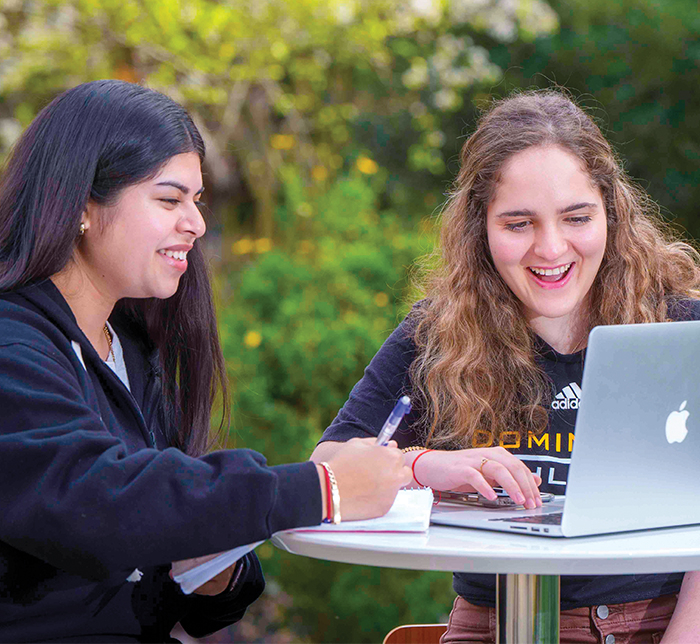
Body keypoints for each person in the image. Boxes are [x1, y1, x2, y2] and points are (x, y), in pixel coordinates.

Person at [0, 79, 412, 643]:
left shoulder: (130, 348)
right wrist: (322, 488)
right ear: (81, 207)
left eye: (196, 202)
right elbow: (100, 503)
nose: (194, 223)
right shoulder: (12, 347)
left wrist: (211, 563)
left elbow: (169, 586)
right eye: (169, 200)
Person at [311, 90, 700, 643]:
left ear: (611, 212)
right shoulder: (437, 333)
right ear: (481, 227)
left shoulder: (681, 329)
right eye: (519, 224)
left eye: (576, 217)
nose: (551, 247)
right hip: (491, 623)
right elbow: (326, 465)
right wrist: (421, 465)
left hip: (658, 621)